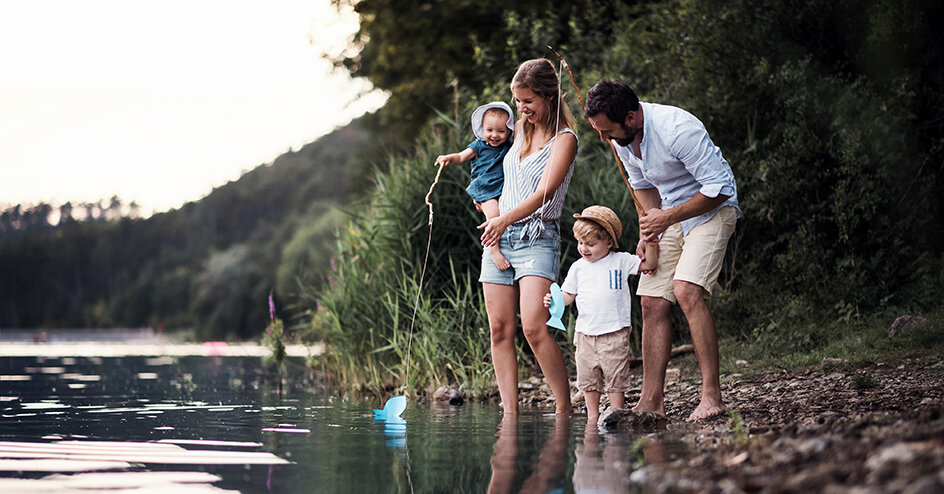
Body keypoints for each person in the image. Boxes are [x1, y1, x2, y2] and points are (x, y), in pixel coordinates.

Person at [584, 79, 741, 421]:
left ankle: (711, 397)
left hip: (712, 210)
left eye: (607, 130)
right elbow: (643, 187)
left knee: (685, 290)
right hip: (670, 215)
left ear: (631, 117)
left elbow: (721, 188)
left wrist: (666, 217)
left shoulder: (677, 129)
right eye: (599, 131)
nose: (604, 138)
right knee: (652, 300)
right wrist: (648, 229)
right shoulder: (621, 140)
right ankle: (651, 402)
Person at [477, 58, 579, 415]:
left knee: (535, 328)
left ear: (549, 97)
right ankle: (510, 414)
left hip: (538, 236)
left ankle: (565, 410)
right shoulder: (516, 129)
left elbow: (545, 194)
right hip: (499, 237)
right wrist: (493, 218)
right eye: (518, 101)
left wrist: (503, 220)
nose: (521, 109)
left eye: (528, 101)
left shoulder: (565, 140)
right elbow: (485, 174)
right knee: (499, 329)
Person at [542, 205, 659, 423]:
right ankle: (593, 416)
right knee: (588, 378)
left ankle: (616, 412)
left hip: (614, 332)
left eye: (591, 244)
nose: (584, 248)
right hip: (585, 334)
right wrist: (554, 300)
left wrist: (651, 243)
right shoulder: (578, 267)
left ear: (609, 242)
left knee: (615, 376)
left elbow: (649, 264)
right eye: (580, 243)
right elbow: (568, 295)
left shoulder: (621, 260)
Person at [436, 102, 515, 270]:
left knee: (506, 214)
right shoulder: (478, 145)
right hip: (485, 188)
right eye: (489, 130)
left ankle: (507, 244)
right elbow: (461, 156)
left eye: (501, 131)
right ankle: (493, 250)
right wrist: (449, 158)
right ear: (482, 129)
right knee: (494, 216)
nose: (495, 135)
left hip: (503, 188)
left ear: (508, 130)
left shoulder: (509, 146)